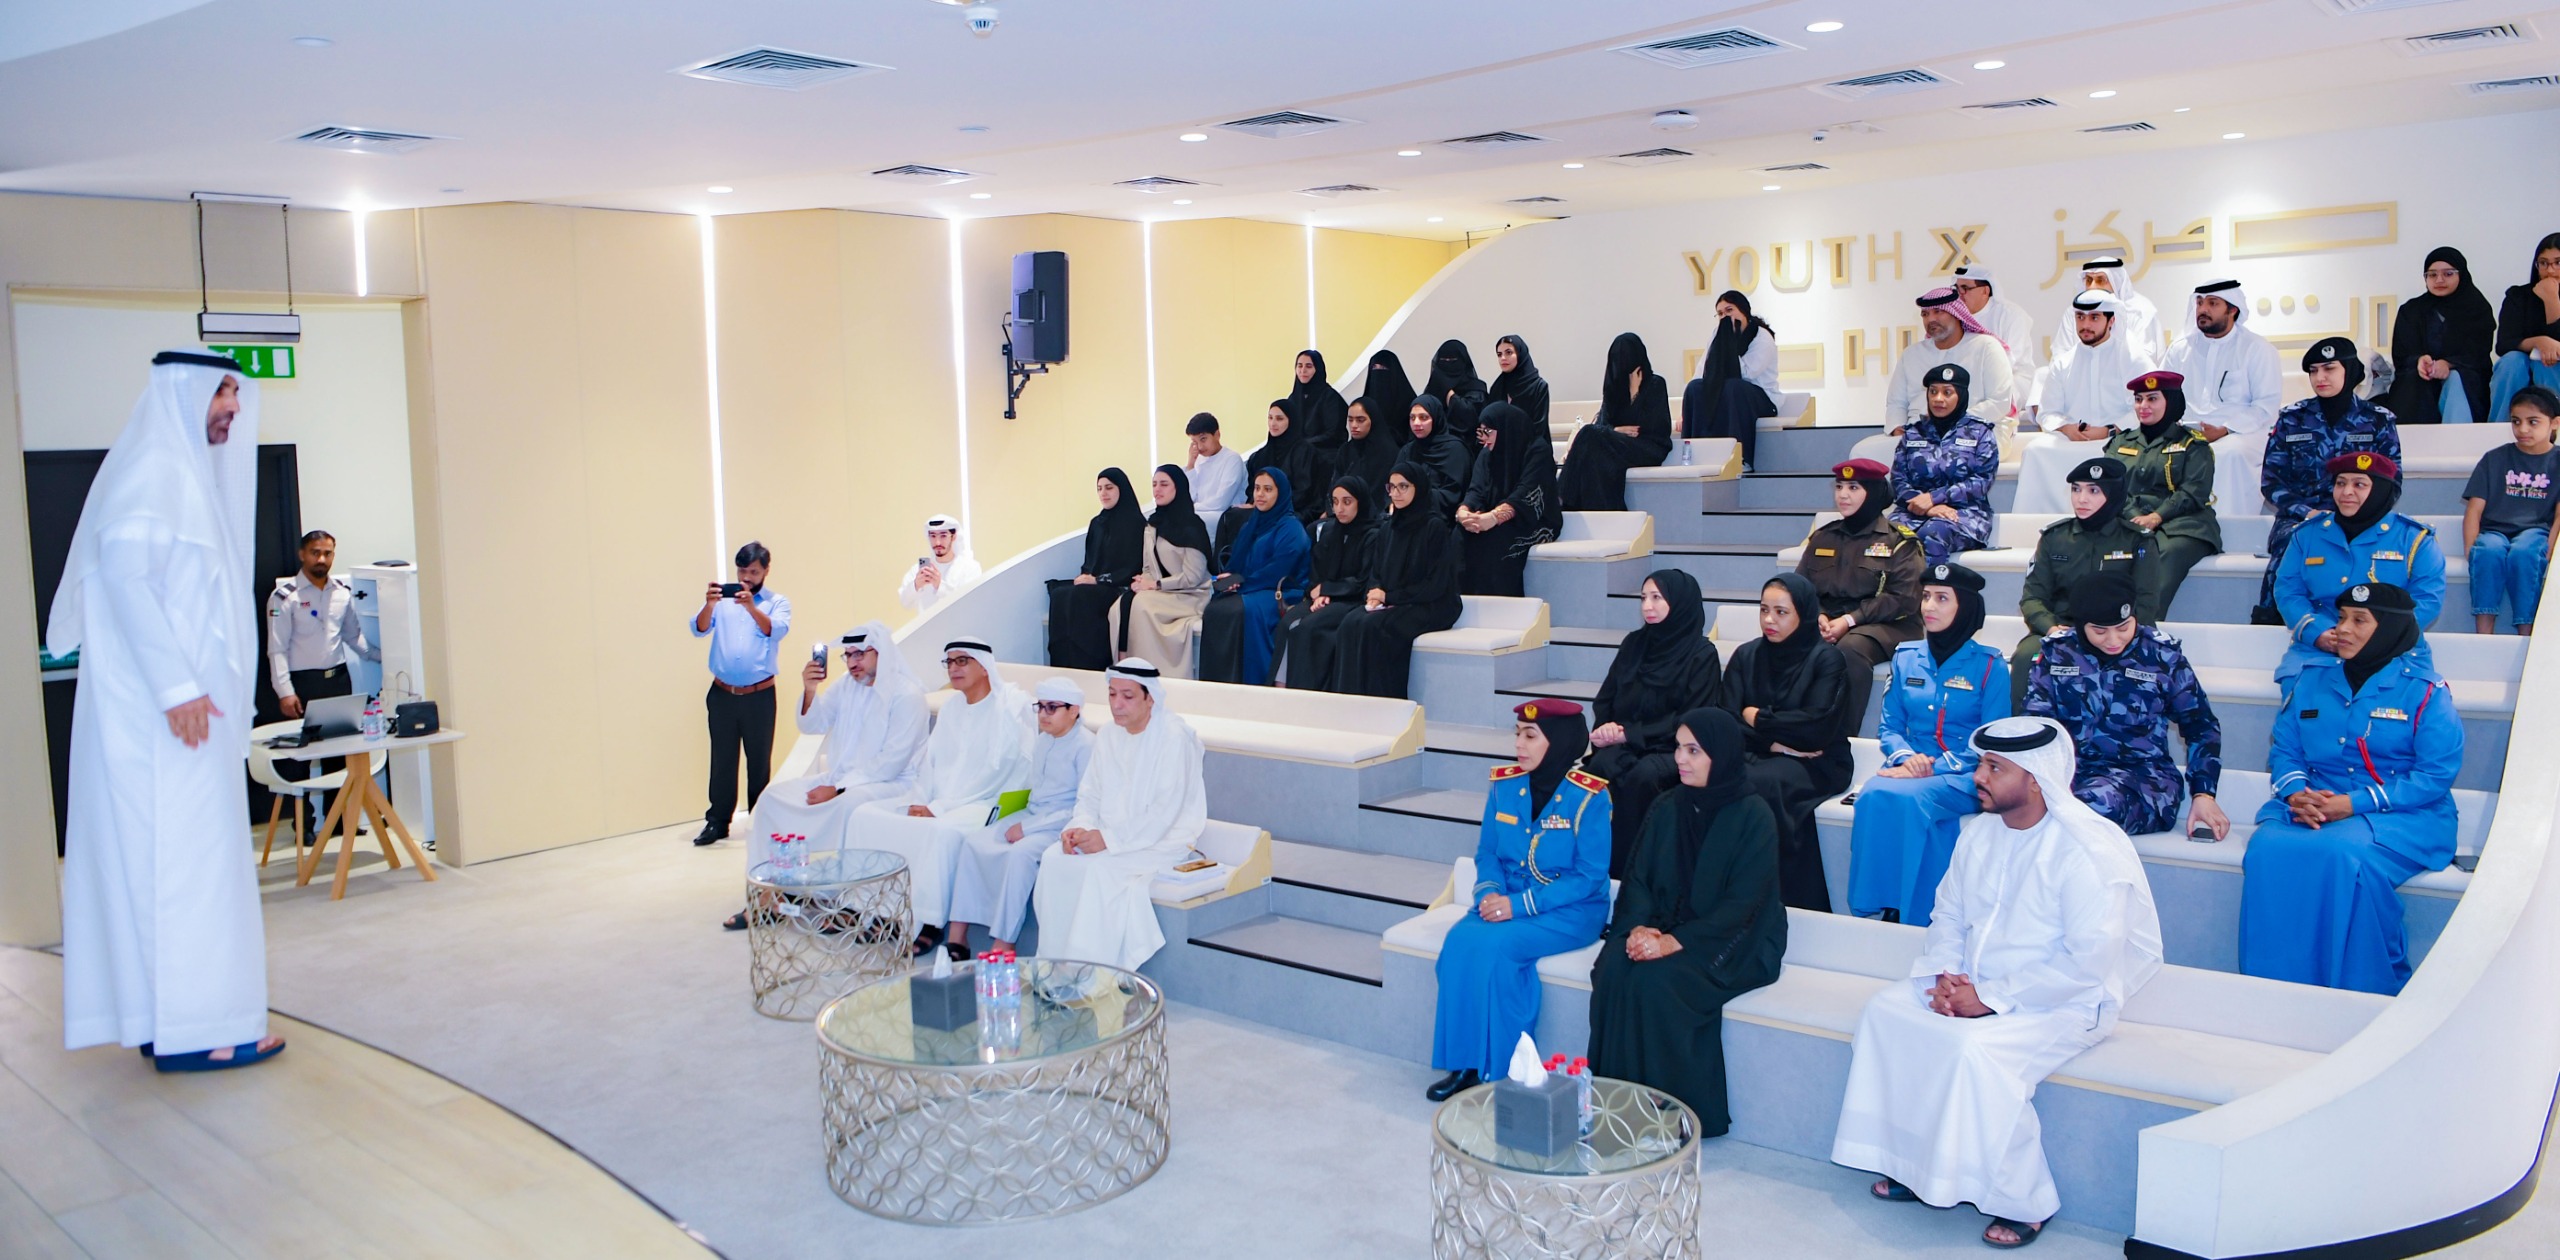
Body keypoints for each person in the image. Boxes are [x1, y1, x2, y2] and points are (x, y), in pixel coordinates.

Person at [1834, 716, 2163, 1249]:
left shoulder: (2087, 851)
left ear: (2035, 779)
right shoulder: (1980, 833)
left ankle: (2024, 1201)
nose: (1978, 777)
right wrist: (1947, 975)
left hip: (2064, 1003)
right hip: (1974, 985)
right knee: (1884, 1014)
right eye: (1982, 764)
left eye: (1993, 768)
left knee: (1975, 1053)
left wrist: (1989, 999)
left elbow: (2089, 962)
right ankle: (1915, 1168)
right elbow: (1948, 914)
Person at [50, 349, 283, 1071]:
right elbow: (125, 582)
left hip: (182, 721)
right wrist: (176, 689)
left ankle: (173, 1022)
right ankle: (199, 1031)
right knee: (190, 870)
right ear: (181, 393)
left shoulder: (176, 476)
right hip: (166, 726)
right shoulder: (154, 474)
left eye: (235, 393)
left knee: (180, 868)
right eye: (221, 392)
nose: (233, 407)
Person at [2241, 583, 2462, 994]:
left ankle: (2366, 991)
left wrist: (2353, 804)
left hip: (2403, 816)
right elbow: (2286, 751)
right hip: (2317, 805)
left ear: (2390, 629)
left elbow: (2434, 776)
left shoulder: (2425, 691)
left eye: (2359, 620)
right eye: (2342, 617)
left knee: (2344, 856)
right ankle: (2275, 990)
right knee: (2266, 847)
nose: (2342, 628)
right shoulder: (2312, 680)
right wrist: (2297, 794)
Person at [1587, 706, 1786, 1135]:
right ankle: (1616, 1104)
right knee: (1614, 968)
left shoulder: (1754, 815)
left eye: (1694, 750)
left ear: (1721, 754)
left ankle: (1675, 1113)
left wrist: (1674, 942)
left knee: (1659, 983)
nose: (1680, 759)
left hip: (1736, 939)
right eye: (1678, 748)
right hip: (1663, 926)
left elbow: (1744, 905)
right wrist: (1638, 929)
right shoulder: (1667, 806)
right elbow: (1638, 880)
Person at [1425, 700, 1611, 1101]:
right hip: (1505, 899)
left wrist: (1520, 905)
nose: (1519, 745)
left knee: (1498, 949)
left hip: (1569, 911)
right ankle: (1465, 1064)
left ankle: (1503, 1069)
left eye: (1530, 736)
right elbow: (1487, 853)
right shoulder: (1505, 786)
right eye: (1517, 735)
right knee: (1459, 942)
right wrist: (1489, 892)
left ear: (1558, 741)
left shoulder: (1589, 797)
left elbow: (1589, 877)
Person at [722, 622, 929, 931]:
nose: (853, 663)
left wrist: (838, 788)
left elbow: (891, 763)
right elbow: (813, 725)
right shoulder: (846, 685)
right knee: (772, 799)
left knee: (844, 807)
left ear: (881, 653)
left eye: (860, 654)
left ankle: (837, 902)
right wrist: (810, 690)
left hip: (891, 784)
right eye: (848, 655)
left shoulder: (907, 695)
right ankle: (770, 894)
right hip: (841, 778)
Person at [1846, 562, 2010, 924]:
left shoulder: (1990, 666)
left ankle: (1915, 911)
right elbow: (1890, 726)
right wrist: (1906, 759)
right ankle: (1885, 902)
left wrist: (1932, 768)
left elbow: (1991, 741)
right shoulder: (1906, 658)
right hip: (1909, 767)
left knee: (1915, 799)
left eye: (1942, 598)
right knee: (1873, 794)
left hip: (1968, 774)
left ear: (1965, 607)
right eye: (1926, 597)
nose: (1929, 606)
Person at [848, 639, 1033, 958]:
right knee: (865, 815)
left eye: (962, 661)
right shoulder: (950, 708)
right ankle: (880, 911)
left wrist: (939, 809)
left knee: (941, 832)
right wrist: (923, 801)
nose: (954, 669)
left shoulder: (1011, 709)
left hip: (986, 804)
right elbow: (930, 765)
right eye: (950, 662)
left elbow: (1004, 775)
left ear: (984, 667)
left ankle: (930, 923)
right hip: (941, 800)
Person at [1032, 659, 1209, 971]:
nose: (1117, 704)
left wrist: (1109, 840)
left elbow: (1164, 813)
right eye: (1112, 694)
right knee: (1053, 858)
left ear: (1150, 698)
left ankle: (1090, 975)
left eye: (1127, 696)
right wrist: (1080, 827)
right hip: (1109, 835)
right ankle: (1051, 968)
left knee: (1098, 871)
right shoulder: (1108, 735)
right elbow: (1090, 794)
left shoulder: (1174, 737)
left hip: (1163, 842)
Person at [2024, 573, 2229, 839]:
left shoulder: (2161, 655)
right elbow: (2035, 725)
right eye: (2100, 631)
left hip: (2144, 780)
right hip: (2070, 775)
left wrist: (2203, 794)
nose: (2113, 640)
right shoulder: (2058, 653)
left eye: (2123, 628)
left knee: (2087, 808)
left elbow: (2201, 726)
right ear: (2081, 624)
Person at [1721, 573, 1856, 911]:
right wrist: (1774, 743)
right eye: (1764, 610)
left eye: (1781, 612)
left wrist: (1758, 718)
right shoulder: (1746, 656)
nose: (1769, 620)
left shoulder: (1827, 659)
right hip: (1760, 753)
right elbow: (1725, 722)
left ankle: (1771, 901)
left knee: (1760, 783)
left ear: (1804, 613)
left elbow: (1816, 729)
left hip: (1819, 761)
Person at [1587, 569, 1724, 880]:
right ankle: (1599, 873)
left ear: (1679, 602)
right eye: (1643, 598)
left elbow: (1693, 719)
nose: (1647, 606)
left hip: (1674, 748)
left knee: (1644, 777)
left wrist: (1629, 734)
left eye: (1657, 598)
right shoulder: (1634, 644)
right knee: (1599, 768)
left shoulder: (1701, 654)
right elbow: (1606, 697)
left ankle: (1637, 875)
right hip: (1627, 742)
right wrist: (1607, 728)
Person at [947, 676, 1095, 956]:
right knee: (973, 843)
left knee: (1020, 854)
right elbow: (1033, 790)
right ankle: (958, 935)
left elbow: (1081, 806)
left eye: (1052, 708)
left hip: (1063, 824)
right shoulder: (1043, 740)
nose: (1043, 715)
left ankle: (1005, 941)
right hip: (1033, 813)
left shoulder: (1086, 745)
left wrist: (1027, 829)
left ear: (1074, 710)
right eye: (1041, 707)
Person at [2257, 339, 2402, 624]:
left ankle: (2371, 624)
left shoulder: (2377, 420)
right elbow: (2271, 482)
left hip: (2360, 514)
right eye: (2313, 371)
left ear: (2349, 370)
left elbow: (2392, 479)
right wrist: (2307, 513)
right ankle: (2272, 621)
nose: (2320, 377)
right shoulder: (2292, 418)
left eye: (2329, 369)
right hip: (2303, 516)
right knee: (2289, 543)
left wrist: (2354, 512)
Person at [2272, 451, 2447, 683]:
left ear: (2381, 490)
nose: (2346, 492)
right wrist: (2317, 631)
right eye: (2340, 483)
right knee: (2310, 697)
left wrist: (2371, 636)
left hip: (2392, 650)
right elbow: (2288, 590)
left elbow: (2427, 600)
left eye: (2359, 484)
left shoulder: (2414, 539)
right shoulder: (2307, 535)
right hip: (2320, 648)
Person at [2011, 456, 2158, 707]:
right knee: (2026, 656)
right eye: (2076, 489)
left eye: (2093, 491)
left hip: (2117, 633)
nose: (2081, 499)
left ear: (2113, 495)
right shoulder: (2054, 537)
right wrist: (2051, 629)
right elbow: (2032, 598)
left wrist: (2108, 634)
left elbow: (2145, 603)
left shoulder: (2137, 541)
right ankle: (2024, 730)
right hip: (2062, 628)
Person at [1798, 459, 1923, 736]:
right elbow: (1800, 588)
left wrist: (1849, 620)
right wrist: (1818, 615)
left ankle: (1840, 737)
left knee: (1850, 649)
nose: (1843, 495)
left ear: (1875, 492)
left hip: (1890, 625)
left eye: (1853, 487)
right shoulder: (1823, 537)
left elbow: (1903, 598)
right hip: (1830, 621)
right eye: (1839, 487)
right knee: (1788, 637)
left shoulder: (1898, 541)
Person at [264, 528, 379, 829]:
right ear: (302, 554)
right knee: (299, 758)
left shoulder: (341, 592)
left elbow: (354, 638)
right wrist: (285, 691)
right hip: (303, 684)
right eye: (315, 552)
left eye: (327, 553)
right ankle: (303, 826)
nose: (322, 559)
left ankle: (337, 822)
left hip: (337, 680)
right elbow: (276, 649)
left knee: (338, 753)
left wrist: (385, 656)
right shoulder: (284, 597)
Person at [2013, 290, 2155, 514]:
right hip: (2073, 440)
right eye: (2080, 317)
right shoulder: (2063, 363)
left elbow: (2147, 406)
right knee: (2034, 451)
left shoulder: (2133, 359)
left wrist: (2110, 430)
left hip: (2120, 438)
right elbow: (2048, 412)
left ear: (2111, 321)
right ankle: (2039, 521)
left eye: (2094, 318)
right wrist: (2066, 428)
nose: (2085, 325)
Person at [690, 541, 792, 846]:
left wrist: (751, 607)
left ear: (766, 571)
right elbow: (698, 629)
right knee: (722, 759)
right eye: (742, 571)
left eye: (754, 572)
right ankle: (717, 822)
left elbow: (777, 630)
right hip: (722, 693)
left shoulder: (776, 602)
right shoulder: (722, 600)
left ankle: (760, 823)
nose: (746, 578)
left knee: (758, 760)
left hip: (760, 695)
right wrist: (709, 604)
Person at [1334, 463, 1463, 698]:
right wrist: (1375, 592)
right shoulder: (1389, 528)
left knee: (1375, 628)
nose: (1396, 493)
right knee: (1350, 623)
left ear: (1418, 487)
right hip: (1395, 600)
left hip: (1432, 604)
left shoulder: (1434, 527)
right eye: (1392, 487)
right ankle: (1351, 700)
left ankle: (1384, 702)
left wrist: (1390, 597)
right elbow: (1376, 572)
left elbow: (1435, 583)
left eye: (1403, 486)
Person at [2160, 278, 2283, 513]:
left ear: (2233, 310)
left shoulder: (2257, 349)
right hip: (2186, 431)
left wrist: (2225, 429)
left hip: (2241, 431)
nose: (2203, 310)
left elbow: (2265, 405)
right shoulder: (2180, 349)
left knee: (2228, 454)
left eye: (2213, 303)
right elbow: (2164, 395)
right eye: (2199, 303)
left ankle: (2228, 524)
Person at [2112, 371, 2222, 616]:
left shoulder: (2193, 444)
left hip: (2184, 525)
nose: (2143, 406)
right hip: (2129, 521)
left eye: (2152, 399)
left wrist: (2156, 517)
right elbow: (2112, 488)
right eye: (2138, 399)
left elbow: (2193, 491)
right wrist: (2134, 517)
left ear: (2171, 402)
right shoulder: (2121, 443)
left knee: (2164, 552)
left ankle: (2142, 626)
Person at [1197, 467, 1311, 685]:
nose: (1260, 494)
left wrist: (1242, 583)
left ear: (1280, 493)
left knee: (1236, 610)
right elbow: (1238, 562)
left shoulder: (1291, 528)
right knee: (1215, 608)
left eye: (1268, 489)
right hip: (1251, 587)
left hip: (1282, 591)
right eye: (1257, 488)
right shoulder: (1252, 525)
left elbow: (1279, 570)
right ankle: (1217, 684)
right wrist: (1230, 579)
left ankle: (1248, 681)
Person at [2463, 387, 2559, 634]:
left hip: (2535, 531)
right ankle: (2484, 633)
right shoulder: (2494, 458)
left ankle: (2526, 630)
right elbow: (2474, 510)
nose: (2522, 429)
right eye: (2516, 421)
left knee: (2525, 553)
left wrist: (2550, 550)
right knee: (2487, 550)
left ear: (2555, 423)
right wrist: (2470, 546)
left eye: (2533, 422)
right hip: (2494, 531)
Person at [1886, 364, 2001, 566]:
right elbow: (1898, 479)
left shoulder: (1979, 432)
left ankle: (1932, 586)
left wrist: (1934, 498)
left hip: (1963, 515)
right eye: (1933, 392)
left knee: (1933, 533)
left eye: (1947, 392)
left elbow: (1981, 481)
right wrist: (1925, 507)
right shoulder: (1913, 433)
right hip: (1912, 512)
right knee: (1886, 536)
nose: (1938, 399)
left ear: (1961, 396)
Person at [1108, 465, 1216, 677]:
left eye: (1164, 484)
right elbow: (1148, 567)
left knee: (1142, 605)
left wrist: (1155, 585)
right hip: (1162, 592)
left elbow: (1193, 578)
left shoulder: (1192, 527)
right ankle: (1126, 667)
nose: (1157, 490)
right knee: (1119, 605)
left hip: (1190, 595)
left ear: (1178, 488)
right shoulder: (1152, 525)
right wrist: (1143, 581)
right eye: (1154, 484)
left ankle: (1153, 673)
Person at [1277, 476, 1379, 691]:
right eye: (1335, 502)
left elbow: (1363, 581)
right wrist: (1319, 592)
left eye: (1347, 502)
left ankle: (1305, 691)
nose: (1339, 508)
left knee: (1309, 627)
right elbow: (1317, 571)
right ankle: (1281, 687)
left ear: (1360, 502)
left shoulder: (1373, 534)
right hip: (1323, 596)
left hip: (1351, 601)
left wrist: (1327, 590)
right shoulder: (1331, 531)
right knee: (1287, 623)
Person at [1559, 332, 1675, 512]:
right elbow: (1603, 425)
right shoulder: (1614, 387)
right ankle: (1598, 510)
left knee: (1589, 435)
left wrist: (1635, 394)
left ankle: (1561, 497)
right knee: (1593, 448)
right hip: (1617, 446)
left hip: (1649, 447)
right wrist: (1615, 431)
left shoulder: (1655, 384)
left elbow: (1649, 429)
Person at [1455, 400, 1560, 597]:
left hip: (1534, 520)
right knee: (1459, 536)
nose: (1483, 438)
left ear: (1505, 428)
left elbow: (1526, 491)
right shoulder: (1487, 454)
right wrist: (1464, 513)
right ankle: (1461, 604)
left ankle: (1502, 607)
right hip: (1492, 516)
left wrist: (1494, 517)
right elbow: (1476, 489)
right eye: (1481, 431)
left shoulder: (1537, 450)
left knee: (1497, 541)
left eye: (1488, 431)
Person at [2387, 247, 2498, 426]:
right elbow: (2401, 354)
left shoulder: (2477, 308)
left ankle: (2457, 440)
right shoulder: (2411, 310)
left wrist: (2448, 363)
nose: (2439, 280)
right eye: (2432, 275)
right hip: (2419, 379)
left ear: (2461, 275)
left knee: (2456, 379)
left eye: (2448, 274)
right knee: (2412, 381)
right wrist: (2420, 361)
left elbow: (2478, 354)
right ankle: (2410, 442)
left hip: (2465, 376)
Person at [1048, 468, 1145, 670]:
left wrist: (1098, 580)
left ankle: (1089, 664)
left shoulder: (1135, 523)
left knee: (1080, 596)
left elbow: (1133, 566)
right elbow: (1089, 562)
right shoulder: (1097, 523)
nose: (1103, 493)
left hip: (1119, 586)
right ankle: (1063, 664)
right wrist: (1086, 576)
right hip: (1095, 584)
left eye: (1109, 488)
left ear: (1121, 489)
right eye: (1099, 489)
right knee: (1059, 593)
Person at [1885, 289, 2013, 431]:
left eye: (1938, 311)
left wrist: (1952, 424)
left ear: (1956, 314)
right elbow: (1896, 402)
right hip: (1918, 432)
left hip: (1974, 430)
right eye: (1925, 314)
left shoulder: (1986, 347)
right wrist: (1897, 428)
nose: (1931, 319)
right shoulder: (1911, 354)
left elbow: (1999, 401)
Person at [1681, 290, 1781, 470]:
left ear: (1743, 311)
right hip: (1729, 393)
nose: (1725, 317)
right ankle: (1695, 455)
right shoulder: (1717, 334)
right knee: (1695, 388)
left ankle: (1740, 458)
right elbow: (1703, 369)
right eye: (1720, 314)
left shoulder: (1761, 337)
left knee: (1733, 387)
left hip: (1761, 398)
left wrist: (1729, 345)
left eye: (1729, 310)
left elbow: (1747, 373)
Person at [2488, 233, 2560, 426]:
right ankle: (2500, 429)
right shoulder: (2518, 296)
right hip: (2521, 365)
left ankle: (2553, 427)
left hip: (2553, 370)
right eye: (2543, 263)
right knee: (2512, 361)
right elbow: (2504, 344)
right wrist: (2539, 341)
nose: (2550, 270)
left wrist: (2552, 301)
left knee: (2548, 361)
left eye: (2558, 263)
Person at [1952, 264, 2038, 414]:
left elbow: (2011, 360)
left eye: (1965, 288)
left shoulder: (2012, 315)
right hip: (1967, 380)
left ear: (1985, 291)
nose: (1960, 294)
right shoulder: (1955, 317)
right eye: (1957, 288)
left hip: (2012, 379)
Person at [1248, 398, 1331, 523]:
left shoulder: (1305, 452)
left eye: (1279, 419)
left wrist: (1273, 504)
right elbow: (1252, 489)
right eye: (1270, 418)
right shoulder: (1260, 456)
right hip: (1263, 508)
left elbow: (1304, 492)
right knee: (1234, 516)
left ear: (1291, 421)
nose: (1273, 423)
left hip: (1297, 509)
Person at [2076, 255, 2164, 357]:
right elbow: (2063, 353)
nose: (2092, 287)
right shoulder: (2074, 313)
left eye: (2100, 280)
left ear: (2116, 282)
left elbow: (2146, 357)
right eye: (2089, 280)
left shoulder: (2141, 311)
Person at [1402, 394, 1475, 516]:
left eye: (1423, 417)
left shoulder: (1455, 450)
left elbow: (1454, 494)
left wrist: (1416, 496)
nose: (1416, 423)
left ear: (1436, 418)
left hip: (1443, 517)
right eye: (1412, 418)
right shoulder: (1408, 450)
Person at [897, 514, 982, 614]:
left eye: (943, 536)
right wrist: (915, 585)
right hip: (928, 624)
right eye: (933, 536)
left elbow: (970, 604)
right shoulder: (919, 570)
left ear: (954, 537)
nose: (937, 542)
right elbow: (905, 603)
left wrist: (940, 586)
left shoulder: (970, 568)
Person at [1422, 339, 1491, 449]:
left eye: (1453, 360)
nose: (1448, 364)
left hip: (1467, 450)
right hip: (1432, 449)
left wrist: (1448, 392)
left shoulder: (1476, 390)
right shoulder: (1432, 391)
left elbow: (1468, 419)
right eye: (1444, 360)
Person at [1183, 413, 1248, 518]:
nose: (1199, 447)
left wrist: (1191, 507)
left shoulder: (1232, 459)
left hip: (1225, 516)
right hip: (1200, 513)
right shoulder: (1197, 460)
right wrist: (1191, 465)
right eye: (1194, 442)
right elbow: (1189, 497)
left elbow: (1221, 502)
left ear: (1217, 435)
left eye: (1203, 439)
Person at [1331, 397, 1399, 499]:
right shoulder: (1345, 450)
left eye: (1360, 420)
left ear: (1373, 420)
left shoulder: (1388, 452)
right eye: (1350, 420)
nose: (1354, 425)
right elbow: (1335, 485)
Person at [1287, 349, 1350, 451]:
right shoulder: (1293, 398)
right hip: (1298, 453)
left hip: (1326, 452)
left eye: (1308, 366)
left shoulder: (1330, 397)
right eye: (1299, 366)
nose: (1303, 370)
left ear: (1318, 369)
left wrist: (1303, 445)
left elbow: (1334, 434)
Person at [1487, 334, 1550, 433]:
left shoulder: (1538, 386)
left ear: (1520, 354)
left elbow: (1539, 427)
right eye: (1499, 354)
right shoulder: (1497, 387)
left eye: (1508, 352)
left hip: (1532, 441)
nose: (1503, 358)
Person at [1364, 349, 1419, 448]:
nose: (1378, 373)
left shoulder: (1411, 404)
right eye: (1374, 368)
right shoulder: (1364, 405)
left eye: (1383, 368)